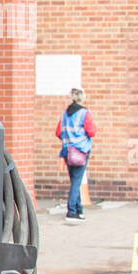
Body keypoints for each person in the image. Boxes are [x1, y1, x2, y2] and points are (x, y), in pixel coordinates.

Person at [55, 87, 95, 222]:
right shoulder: (84, 113)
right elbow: (92, 132)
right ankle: (72, 211)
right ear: (82, 97)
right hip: (80, 151)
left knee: (74, 181)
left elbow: (58, 132)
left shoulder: (65, 114)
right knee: (77, 182)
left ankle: (79, 210)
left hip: (67, 151)